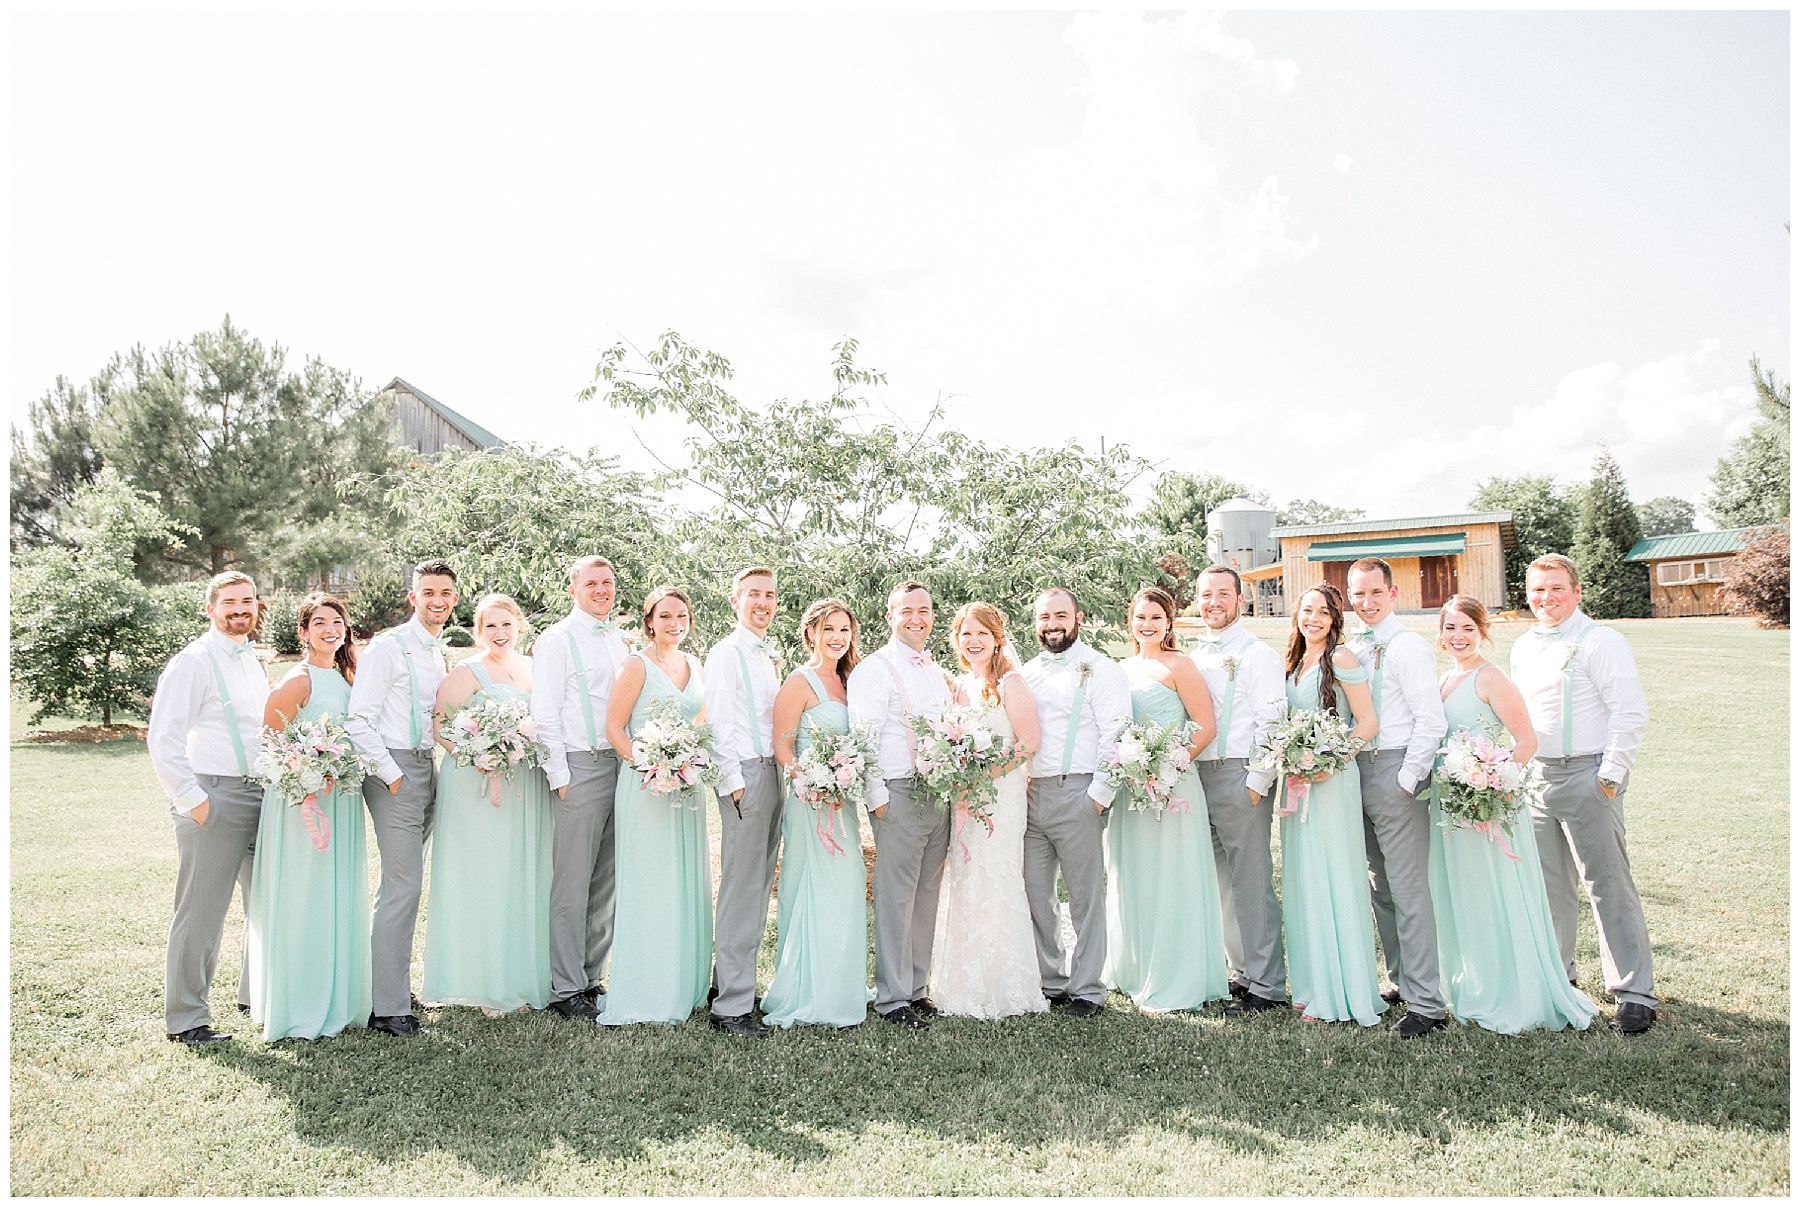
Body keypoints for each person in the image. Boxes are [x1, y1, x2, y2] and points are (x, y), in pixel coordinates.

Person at [1428, 594, 1598, 1033]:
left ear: (1483, 632)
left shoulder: (1491, 677)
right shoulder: (1444, 679)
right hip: (1452, 807)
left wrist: (1491, 783)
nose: (1459, 637)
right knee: (1463, 895)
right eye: (1451, 628)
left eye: (1468, 628)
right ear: (1440, 635)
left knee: (1494, 894)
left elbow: (1526, 741)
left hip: (1488, 807)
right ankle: (1474, 984)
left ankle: (1512, 991)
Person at [1510, 553, 1657, 1034]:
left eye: (1556, 588)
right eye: (1538, 589)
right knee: (1549, 887)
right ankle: (1560, 978)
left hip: (1589, 775)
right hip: (1537, 778)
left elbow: (1629, 711)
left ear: (1576, 591)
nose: (1546, 597)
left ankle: (1634, 993)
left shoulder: (1601, 641)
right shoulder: (1524, 646)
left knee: (1607, 884)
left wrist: (1609, 777)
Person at [148, 571, 271, 1045]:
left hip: (261, 795)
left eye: (247, 601)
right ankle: (187, 1019)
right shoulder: (193, 662)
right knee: (201, 914)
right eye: (230, 602)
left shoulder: (252, 660)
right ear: (211, 609)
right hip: (214, 797)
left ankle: (256, 995)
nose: (240, 609)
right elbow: (163, 738)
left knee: (266, 904)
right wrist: (194, 802)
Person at [246, 592, 372, 1041]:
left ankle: (339, 998)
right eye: (319, 623)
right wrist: (306, 780)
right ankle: (298, 1005)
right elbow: (271, 743)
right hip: (303, 802)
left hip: (342, 799)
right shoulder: (298, 681)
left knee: (337, 894)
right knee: (304, 895)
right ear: (303, 632)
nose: (330, 630)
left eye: (336, 621)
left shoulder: (348, 676)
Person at [422, 594, 554, 1016]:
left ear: (520, 626)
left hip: (525, 783)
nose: (500, 633)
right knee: (483, 875)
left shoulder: (533, 668)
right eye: (490, 626)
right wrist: (479, 754)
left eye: (506, 624)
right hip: (476, 784)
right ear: (478, 632)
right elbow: (440, 725)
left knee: (520, 873)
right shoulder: (467, 671)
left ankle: (518, 974)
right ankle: (482, 982)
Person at [345, 558, 459, 1038]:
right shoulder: (387, 648)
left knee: (404, 885)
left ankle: (390, 986)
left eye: (445, 593)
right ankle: (388, 1009)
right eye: (428, 592)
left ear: (454, 598)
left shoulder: (437, 652)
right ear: (414, 597)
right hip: (393, 768)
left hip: (426, 766)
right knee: (403, 886)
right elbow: (358, 721)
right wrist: (393, 778)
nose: (437, 600)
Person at [1103, 586, 1230, 1013]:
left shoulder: (1180, 664)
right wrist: (1134, 767)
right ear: (1130, 622)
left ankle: (1177, 975)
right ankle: (1133, 968)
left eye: (1156, 617)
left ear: (1169, 623)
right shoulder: (1120, 669)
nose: (1147, 625)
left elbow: (1205, 726)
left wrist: (1166, 765)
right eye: (1140, 617)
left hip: (1173, 785)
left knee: (1172, 874)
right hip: (1131, 788)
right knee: (1134, 872)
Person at [598, 586, 715, 1025]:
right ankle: (646, 989)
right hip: (646, 785)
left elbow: (699, 722)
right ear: (649, 621)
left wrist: (687, 762)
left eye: (681, 615)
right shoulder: (636, 665)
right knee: (650, 882)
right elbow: (614, 728)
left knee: (684, 880)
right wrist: (652, 766)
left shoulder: (695, 665)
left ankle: (683, 983)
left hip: (686, 787)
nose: (674, 623)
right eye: (665, 616)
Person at [1345, 557, 1450, 1038]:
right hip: (1357, 771)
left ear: (1393, 593)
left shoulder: (1408, 646)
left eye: (1375, 592)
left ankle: (1428, 1003)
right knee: (1380, 886)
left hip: (1395, 768)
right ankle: (1401, 979)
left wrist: (1406, 780)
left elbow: (1431, 719)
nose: (1366, 602)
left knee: (1408, 889)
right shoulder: (1352, 647)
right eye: (1358, 594)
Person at [927, 601, 1047, 1019]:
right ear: (956, 639)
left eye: (982, 633)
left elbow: (1028, 744)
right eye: (966, 633)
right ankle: (962, 983)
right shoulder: (960, 685)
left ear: (997, 639)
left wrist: (983, 776)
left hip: (1000, 798)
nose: (973, 641)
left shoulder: (1011, 683)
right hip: (964, 801)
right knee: (965, 879)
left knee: (997, 877)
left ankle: (1005, 985)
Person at [1018, 587, 1132, 1018]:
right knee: (1035, 894)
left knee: (1085, 898)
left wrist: (1097, 799)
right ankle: (1051, 981)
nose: (1052, 625)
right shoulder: (1026, 673)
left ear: (1078, 618)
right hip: (1031, 795)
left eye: (1060, 616)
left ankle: (1088, 989)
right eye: (1044, 617)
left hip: (1078, 792)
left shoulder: (1101, 669)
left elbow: (1116, 734)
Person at [846, 580, 954, 1030]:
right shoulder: (874, 669)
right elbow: (864, 736)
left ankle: (916, 988)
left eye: (923, 610)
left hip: (938, 792)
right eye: (906, 610)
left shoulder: (934, 669)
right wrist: (879, 801)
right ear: (889, 616)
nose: (916, 618)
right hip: (898, 792)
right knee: (896, 897)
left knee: (926, 893)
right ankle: (892, 998)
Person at [760, 599, 871, 1029]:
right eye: (828, 629)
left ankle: (840, 986)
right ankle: (806, 991)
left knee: (847, 887)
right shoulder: (799, 682)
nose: (837, 638)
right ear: (810, 633)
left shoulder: (852, 680)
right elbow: (783, 747)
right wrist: (813, 781)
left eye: (844, 629)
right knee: (811, 889)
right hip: (810, 804)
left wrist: (844, 780)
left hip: (843, 806)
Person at [531, 556, 631, 1022]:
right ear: (574, 590)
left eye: (607, 582)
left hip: (620, 765)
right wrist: (560, 776)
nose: (601, 590)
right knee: (572, 882)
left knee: (606, 879)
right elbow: (545, 710)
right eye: (591, 583)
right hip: (579, 765)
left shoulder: (619, 639)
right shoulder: (557, 639)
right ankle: (565, 987)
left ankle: (592, 975)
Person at [1279, 584, 1383, 1027]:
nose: (1314, 619)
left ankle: (1341, 992)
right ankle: (1311, 986)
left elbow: (1368, 723)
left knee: (1333, 876)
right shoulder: (1292, 660)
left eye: (1323, 612)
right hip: (1297, 782)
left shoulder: (1340, 659)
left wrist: (1329, 762)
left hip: (1332, 781)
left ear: (1335, 619)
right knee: (1304, 879)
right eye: (1308, 610)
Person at [1188, 566, 1291, 1017]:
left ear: (1240, 600)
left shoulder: (1257, 654)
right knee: (1221, 882)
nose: (1214, 602)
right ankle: (1242, 971)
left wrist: (1256, 783)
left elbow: (1273, 720)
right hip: (1199, 775)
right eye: (1206, 594)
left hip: (1240, 774)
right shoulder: (1195, 655)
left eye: (1223, 594)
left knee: (1250, 881)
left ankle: (1268, 985)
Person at [703, 566, 784, 1037]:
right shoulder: (726, 653)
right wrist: (734, 783)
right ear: (735, 600)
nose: (762, 602)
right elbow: (717, 723)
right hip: (746, 776)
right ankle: (730, 1009)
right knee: (741, 888)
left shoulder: (766, 654)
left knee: (757, 886)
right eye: (753, 594)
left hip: (771, 772)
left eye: (769, 595)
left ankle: (730, 984)